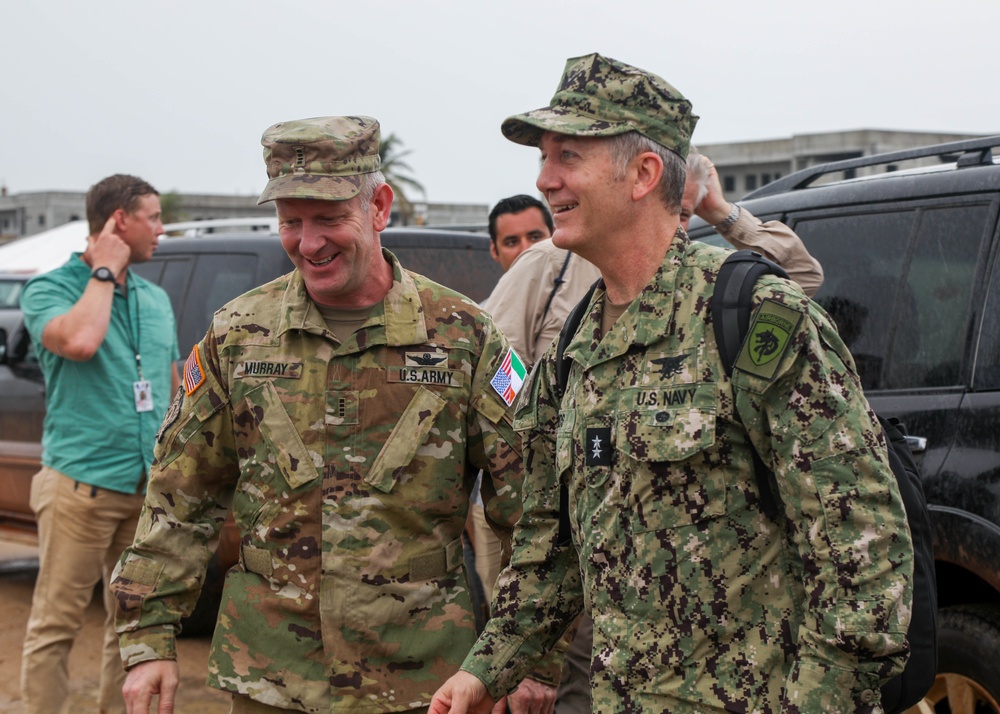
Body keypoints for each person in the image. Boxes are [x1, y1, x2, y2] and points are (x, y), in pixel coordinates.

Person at [429, 53, 914, 714]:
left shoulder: (755, 322)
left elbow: (862, 553)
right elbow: (550, 550)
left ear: (644, 173)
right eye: (543, 159)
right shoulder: (576, 349)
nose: (545, 180)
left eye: (567, 156)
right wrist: (486, 671)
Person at [110, 116, 558, 714]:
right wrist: (147, 638)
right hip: (272, 675)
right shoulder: (239, 335)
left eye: (328, 218)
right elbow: (181, 491)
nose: (308, 241)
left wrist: (529, 659)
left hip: (423, 680)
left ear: (378, 206)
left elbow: (530, 507)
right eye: (291, 221)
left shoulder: (463, 336)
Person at [18, 174, 180, 714]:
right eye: (152, 217)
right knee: (56, 626)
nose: (162, 229)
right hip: (79, 490)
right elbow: (81, 341)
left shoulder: (156, 299)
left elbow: (171, 382)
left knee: (130, 628)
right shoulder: (51, 289)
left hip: (144, 489)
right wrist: (104, 269)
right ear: (118, 221)